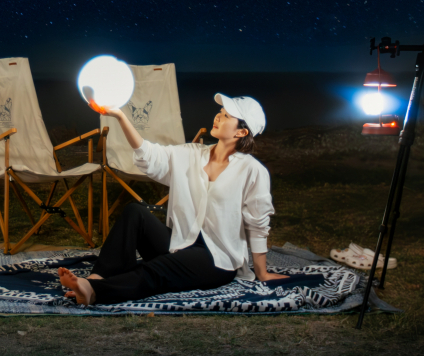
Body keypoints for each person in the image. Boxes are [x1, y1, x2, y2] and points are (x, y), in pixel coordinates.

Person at [58, 94, 285, 305]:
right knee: (134, 212)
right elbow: (149, 156)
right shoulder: (191, 153)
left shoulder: (252, 171)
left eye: (226, 116)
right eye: (220, 111)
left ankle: (95, 290)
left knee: (156, 270)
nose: (218, 116)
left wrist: (261, 272)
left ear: (241, 133)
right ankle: (97, 277)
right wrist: (120, 116)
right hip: (180, 243)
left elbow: (257, 224)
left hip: (216, 260)